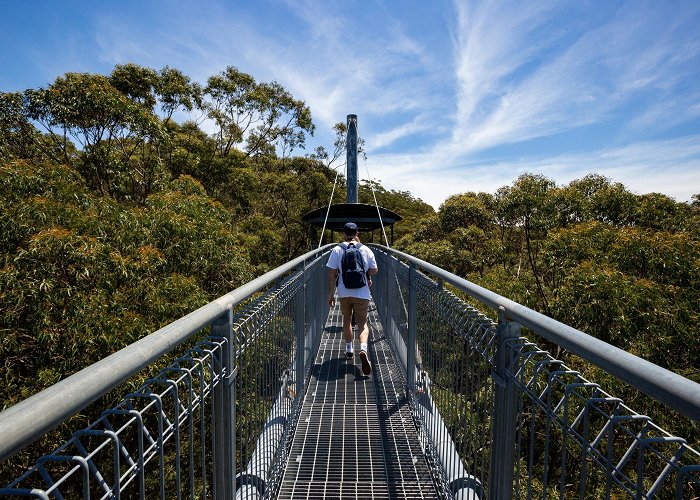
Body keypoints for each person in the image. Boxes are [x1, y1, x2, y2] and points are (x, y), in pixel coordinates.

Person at [327, 222, 378, 375]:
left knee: (347, 320)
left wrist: (331, 293)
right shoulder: (365, 249)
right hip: (362, 292)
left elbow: (331, 273)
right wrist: (367, 275)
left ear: (343, 233)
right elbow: (375, 270)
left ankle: (349, 349)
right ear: (357, 234)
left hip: (344, 292)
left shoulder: (337, 249)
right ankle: (362, 349)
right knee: (362, 323)